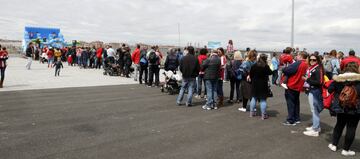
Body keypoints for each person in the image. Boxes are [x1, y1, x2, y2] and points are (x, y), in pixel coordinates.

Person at [328, 62, 360, 156]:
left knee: (339, 125)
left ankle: (334, 145)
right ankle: (346, 150)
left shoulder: (338, 79)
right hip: (355, 107)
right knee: (351, 128)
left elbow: (330, 89)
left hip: (341, 106)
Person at [282, 51, 308, 126]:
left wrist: (284, 68)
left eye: (297, 55)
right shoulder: (305, 64)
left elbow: (287, 70)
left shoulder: (298, 63)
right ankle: (297, 118)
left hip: (292, 84)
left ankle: (290, 120)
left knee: (291, 103)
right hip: (299, 85)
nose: (296, 56)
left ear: (300, 56)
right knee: (296, 102)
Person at [302, 54, 325, 137]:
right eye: (310, 59)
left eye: (314, 60)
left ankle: (315, 129)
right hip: (312, 90)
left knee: (314, 110)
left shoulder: (318, 68)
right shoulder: (313, 68)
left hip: (315, 91)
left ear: (318, 60)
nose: (312, 61)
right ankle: (316, 127)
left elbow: (319, 82)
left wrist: (307, 79)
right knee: (313, 110)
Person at [249, 54, 273, 119]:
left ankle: (251, 113)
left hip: (255, 84)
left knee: (254, 98)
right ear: (265, 59)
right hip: (263, 85)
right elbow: (271, 72)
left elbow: (251, 74)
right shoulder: (266, 66)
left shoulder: (254, 65)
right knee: (263, 100)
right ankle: (263, 115)